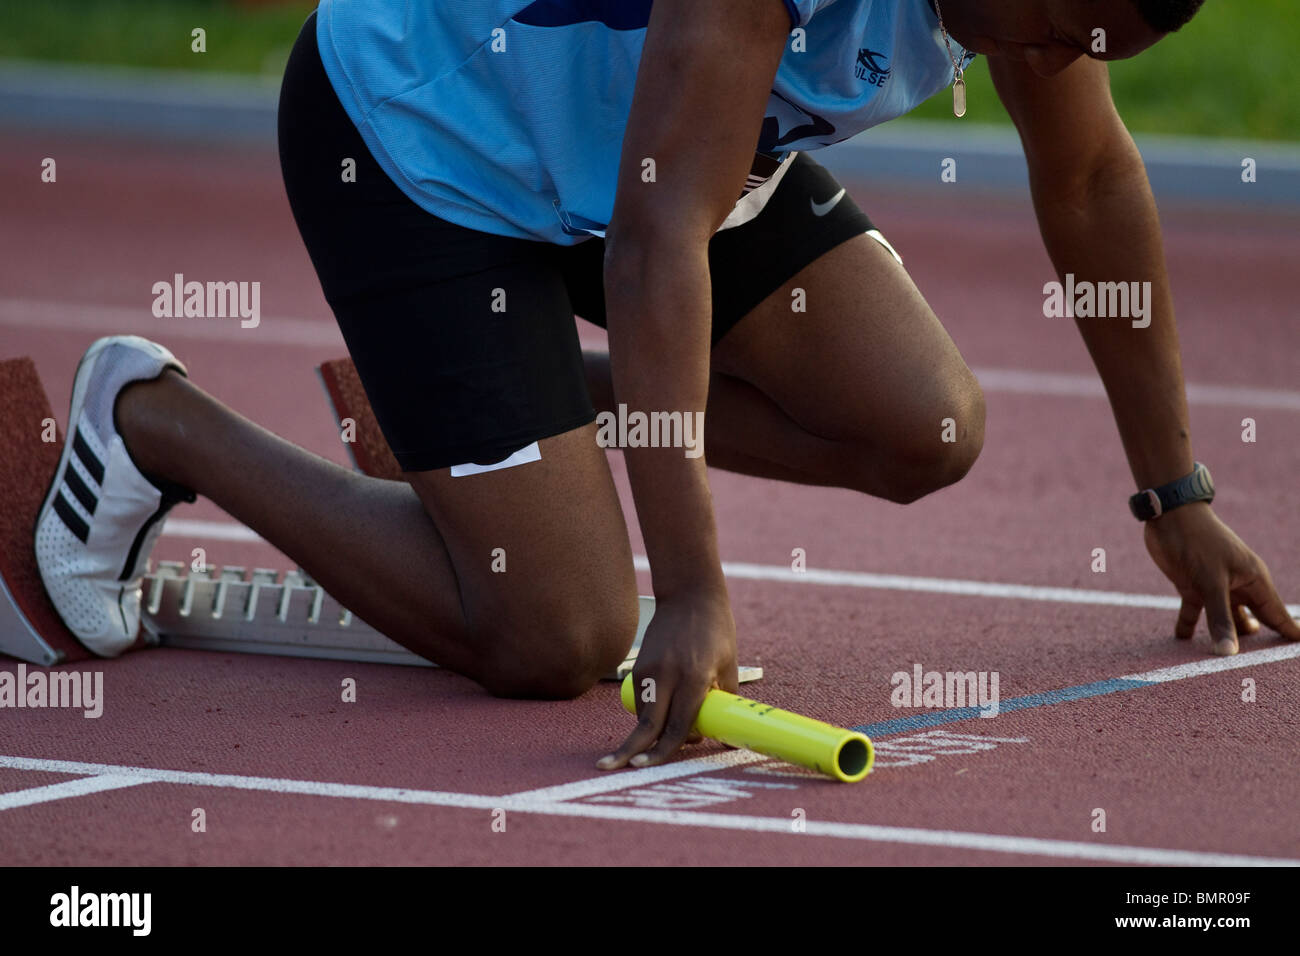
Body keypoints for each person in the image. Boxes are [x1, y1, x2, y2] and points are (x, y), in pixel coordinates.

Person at [35, 1, 1299, 773]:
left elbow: (1089, 185)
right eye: (1043, 22)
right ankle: (158, 422)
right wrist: (692, 590)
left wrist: (1172, 489)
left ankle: (511, 430)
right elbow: (654, 241)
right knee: (560, 637)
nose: (1040, 55)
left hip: (662, 148)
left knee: (925, 422)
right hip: (433, 149)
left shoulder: (1047, 13)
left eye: (1084, 48)